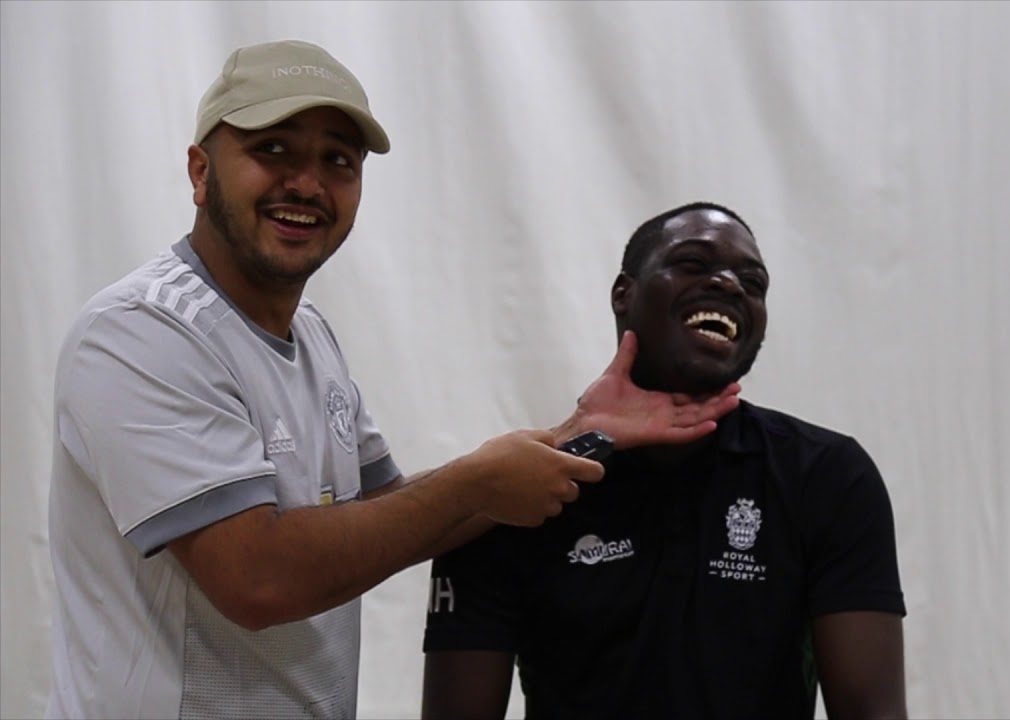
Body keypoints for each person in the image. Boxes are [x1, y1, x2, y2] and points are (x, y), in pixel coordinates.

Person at [45, 41, 739, 720]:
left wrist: (570, 436)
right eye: (272, 149)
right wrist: (477, 481)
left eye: (337, 161)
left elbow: (396, 514)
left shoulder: (310, 335)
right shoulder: (142, 332)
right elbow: (257, 579)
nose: (308, 184)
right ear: (200, 172)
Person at [422, 202, 908, 720]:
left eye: (754, 280)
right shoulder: (515, 492)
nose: (728, 284)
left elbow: (871, 710)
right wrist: (577, 439)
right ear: (623, 294)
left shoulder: (828, 477)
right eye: (694, 264)